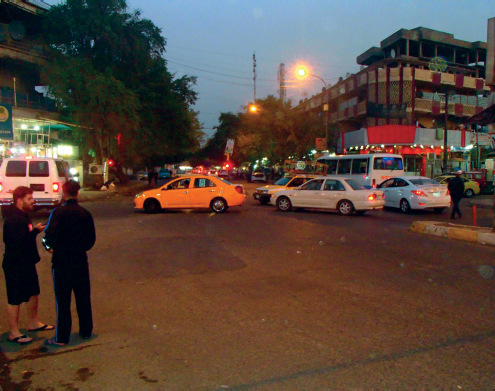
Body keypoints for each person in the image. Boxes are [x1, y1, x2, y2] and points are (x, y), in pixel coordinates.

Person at [43, 180, 96, 346]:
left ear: (64, 193)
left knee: (63, 300)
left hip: (61, 262)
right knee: (83, 297)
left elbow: (47, 237)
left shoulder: (57, 213)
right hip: (80, 261)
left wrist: (50, 248)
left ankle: (62, 337)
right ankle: (86, 331)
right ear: (78, 193)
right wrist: (80, 248)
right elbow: (91, 240)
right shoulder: (85, 213)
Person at [2, 186, 53, 345]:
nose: (33, 201)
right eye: (29, 199)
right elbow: (17, 242)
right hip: (16, 263)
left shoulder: (23, 216)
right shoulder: (13, 219)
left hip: (27, 262)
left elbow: (25, 236)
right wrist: (33, 233)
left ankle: (33, 322)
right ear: (19, 200)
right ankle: (14, 332)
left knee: (33, 292)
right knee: (15, 298)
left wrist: (35, 231)